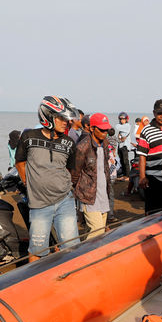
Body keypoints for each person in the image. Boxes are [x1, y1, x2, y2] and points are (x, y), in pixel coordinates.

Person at [15, 96, 80, 261]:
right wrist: (28, 183)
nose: (66, 122)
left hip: (65, 200)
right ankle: (34, 282)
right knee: (38, 250)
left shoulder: (69, 143)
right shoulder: (29, 137)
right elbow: (20, 162)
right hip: (39, 204)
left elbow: (69, 169)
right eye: (61, 118)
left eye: (67, 118)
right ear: (48, 116)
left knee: (72, 247)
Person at [70, 112, 112, 239]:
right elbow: (75, 173)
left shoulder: (104, 144)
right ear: (92, 128)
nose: (105, 133)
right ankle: (85, 257)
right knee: (97, 231)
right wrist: (79, 191)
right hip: (88, 194)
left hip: (103, 192)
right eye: (102, 130)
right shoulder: (82, 146)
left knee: (96, 230)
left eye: (106, 130)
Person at [115, 112, 133, 179]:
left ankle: (128, 175)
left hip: (125, 145)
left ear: (126, 119)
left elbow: (117, 127)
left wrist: (119, 131)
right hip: (120, 145)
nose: (122, 120)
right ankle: (124, 174)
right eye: (121, 119)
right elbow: (117, 127)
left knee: (125, 161)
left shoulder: (128, 126)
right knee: (121, 160)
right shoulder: (121, 126)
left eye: (123, 119)